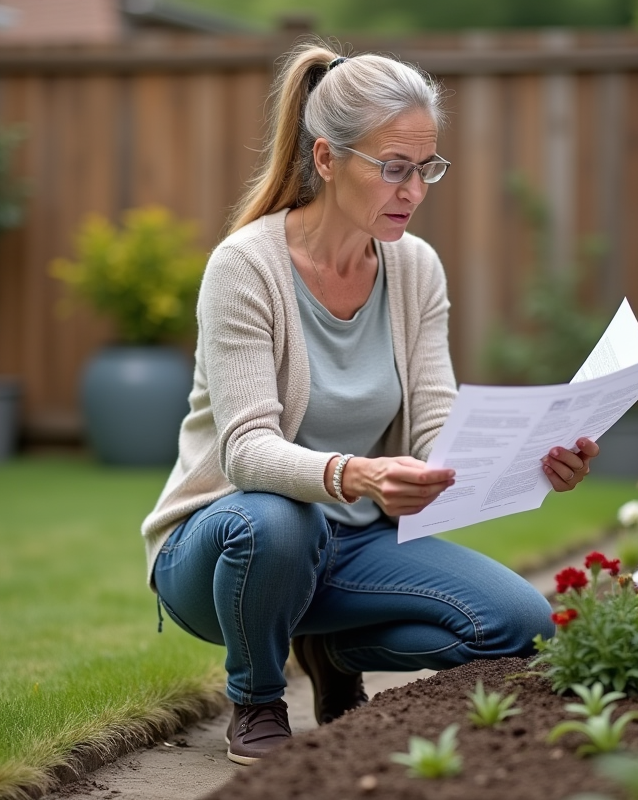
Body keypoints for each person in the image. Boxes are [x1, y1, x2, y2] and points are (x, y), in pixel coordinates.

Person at [140, 40, 600, 766]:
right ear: (326, 159)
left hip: (351, 545)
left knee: (526, 626)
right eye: (393, 168)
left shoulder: (414, 267)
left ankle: (329, 649)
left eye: (427, 168)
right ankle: (257, 695)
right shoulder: (244, 268)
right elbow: (247, 452)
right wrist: (354, 475)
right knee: (277, 519)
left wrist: (534, 459)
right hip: (226, 545)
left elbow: (436, 426)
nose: (413, 190)